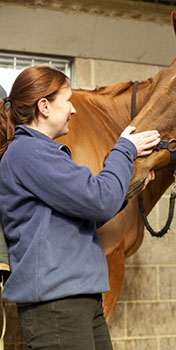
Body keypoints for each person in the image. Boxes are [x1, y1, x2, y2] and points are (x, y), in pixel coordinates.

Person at [0, 65, 160, 350]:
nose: (74, 110)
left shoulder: (45, 153)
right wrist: (123, 148)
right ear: (44, 107)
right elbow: (98, 200)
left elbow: (80, 216)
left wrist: (129, 189)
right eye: (68, 100)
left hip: (79, 297)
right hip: (58, 306)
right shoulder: (29, 153)